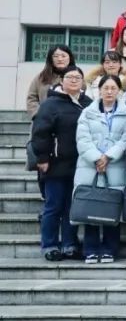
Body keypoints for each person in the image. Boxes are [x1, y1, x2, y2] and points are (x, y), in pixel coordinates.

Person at [32, 66, 91, 261]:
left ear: (82, 82)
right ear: (61, 81)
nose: (74, 80)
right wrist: (42, 158)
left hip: (80, 164)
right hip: (55, 163)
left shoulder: (87, 103)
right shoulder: (50, 104)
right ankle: (49, 245)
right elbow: (40, 132)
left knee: (71, 207)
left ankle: (69, 244)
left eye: (77, 77)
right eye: (69, 77)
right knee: (53, 206)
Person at [74, 73, 126, 263]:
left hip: (115, 166)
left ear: (119, 91)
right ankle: (90, 249)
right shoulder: (87, 112)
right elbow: (82, 139)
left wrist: (108, 156)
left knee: (112, 207)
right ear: (99, 90)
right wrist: (97, 158)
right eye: (105, 88)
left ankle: (110, 249)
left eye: (113, 88)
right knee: (90, 206)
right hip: (90, 167)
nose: (109, 91)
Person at [27, 45, 75, 119]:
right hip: (44, 119)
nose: (60, 59)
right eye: (56, 56)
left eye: (63, 56)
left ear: (70, 58)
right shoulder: (41, 77)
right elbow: (32, 98)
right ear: (50, 59)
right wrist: (38, 114)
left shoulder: (77, 77)